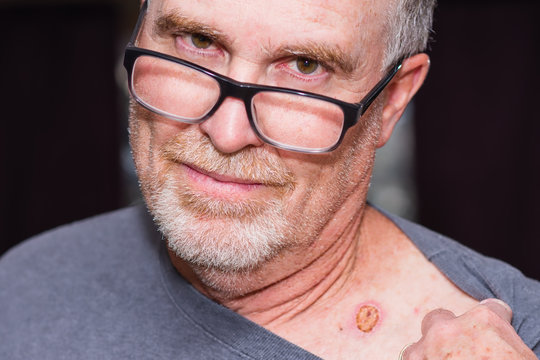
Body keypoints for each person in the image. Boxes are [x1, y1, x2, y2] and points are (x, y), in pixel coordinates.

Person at [1, 0, 539, 358]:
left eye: (305, 66)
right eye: (195, 40)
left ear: (391, 101)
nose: (228, 132)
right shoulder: (25, 285)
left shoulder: (518, 338)